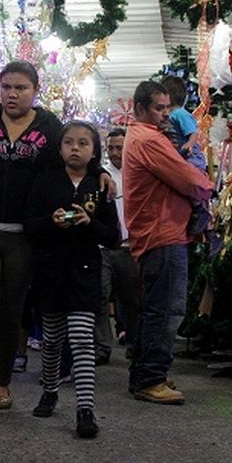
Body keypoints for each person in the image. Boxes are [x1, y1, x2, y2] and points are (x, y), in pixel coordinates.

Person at [0, 61, 108, 428]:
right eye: (6, 86)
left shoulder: (50, 126)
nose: (11, 94)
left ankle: (3, 381)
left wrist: (99, 174)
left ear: (35, 89)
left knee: (11, 310)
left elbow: (71, 160)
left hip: (23, 231)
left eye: (20, 88)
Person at [24, 121, 120, 438]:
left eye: (83, 143)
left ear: (94, 150)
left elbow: (114, 238)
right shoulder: (45, 181)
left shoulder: (100, 185)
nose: (75, 148)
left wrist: (89, 222)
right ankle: (50, 389)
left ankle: (85, 409)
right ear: (60, 147)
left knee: (81, 339)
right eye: (68, 142)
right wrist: (51, 223)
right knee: (52, 340)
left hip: (85, 272)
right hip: (50, 272)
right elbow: (30, 226)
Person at [124, 81, 213, 404]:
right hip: (162, 234)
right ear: (140, 109)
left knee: (155, 309)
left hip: (160, 234)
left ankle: (147, 373)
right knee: (165, 310)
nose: (165, 114)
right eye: (158, 108)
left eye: (167, 107)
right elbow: (189, 179)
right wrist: (205, 186)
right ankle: (151, 378)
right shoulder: (149, 140)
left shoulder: (147, 137)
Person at [95, 128, 141, 361]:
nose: (114, 153)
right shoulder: (101, 175)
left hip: (128, 246)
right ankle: (102, 347)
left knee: (131, 299)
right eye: (111, 148)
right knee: (100, 297)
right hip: (103, 248)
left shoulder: (138, 174)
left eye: (119, 148)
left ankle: (134, 343)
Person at [160, 76, 211, 236]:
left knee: (190, 182)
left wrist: (189, 144)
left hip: (191, 156)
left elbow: (193, 132)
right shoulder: (170, 115)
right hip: (182, 155)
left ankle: (199, 210)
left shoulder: (180, 114)